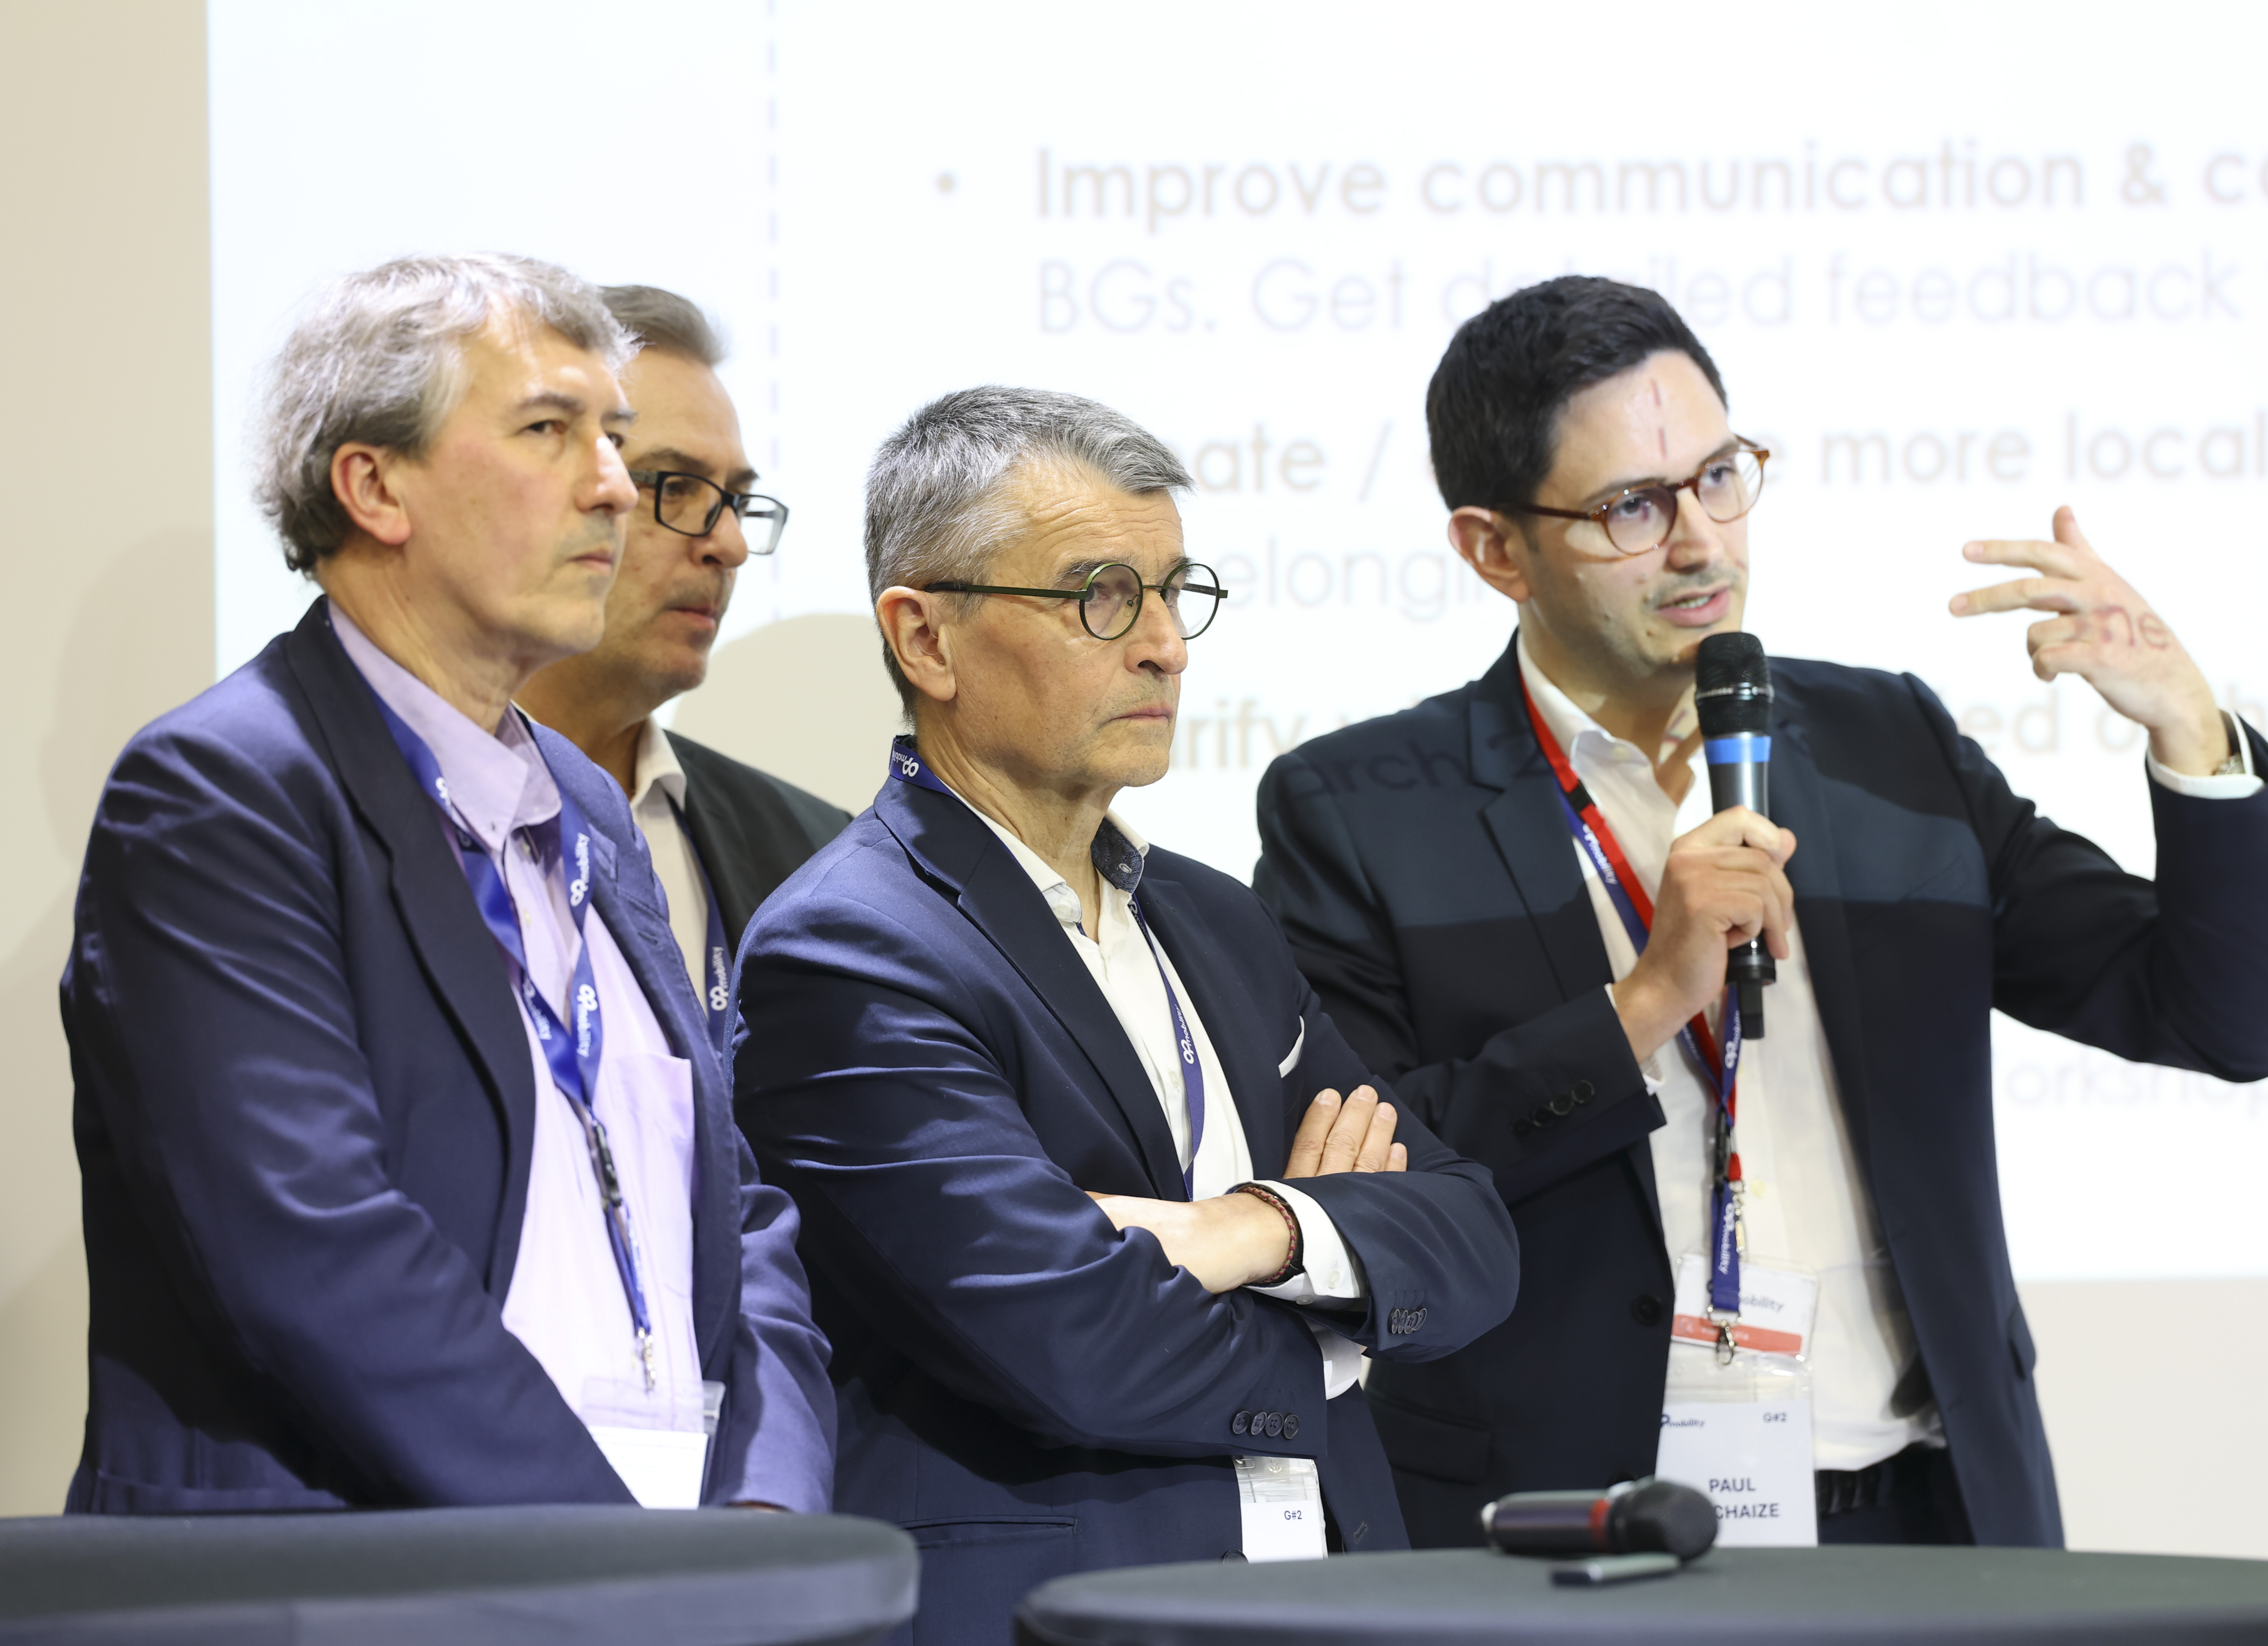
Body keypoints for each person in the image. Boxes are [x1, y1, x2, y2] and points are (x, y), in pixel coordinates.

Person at [1252, 277, 2268, 1549]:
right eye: (1633, 506)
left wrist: (2191, 731)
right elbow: (1369, 1185)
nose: (1702, 543)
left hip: (1926, 1518)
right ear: (1495, 550)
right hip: (1575, 1529)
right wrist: (1643, 1006)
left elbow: (2231, 1020)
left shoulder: (1889, 746)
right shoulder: (1362, 810)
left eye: (1720, 478)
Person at [730, 387, 1520, 1644]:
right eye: (1100, 596)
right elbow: (1072, 1342)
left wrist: (1253, 1229)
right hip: (1059, 1606)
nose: (1165, 645)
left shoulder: (1216, 920)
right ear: (925, 638)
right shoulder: (853, 948)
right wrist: (1340, 1309)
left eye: (1173, 591)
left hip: (1325, 1588)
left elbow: (1471, 1235)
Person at [61, 254, 834, 1513]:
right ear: (374, 486)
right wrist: (621, 1554)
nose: (610, 486)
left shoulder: (589, 806)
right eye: (549, 432)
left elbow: (734, 1211)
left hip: (671, 1567)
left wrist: (766, 1511)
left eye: (613, 439)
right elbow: (314, 1249)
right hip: (369, 1570)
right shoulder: (224, 791)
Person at [521, 286, 849, 1041]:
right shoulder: (385, 806)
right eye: (676, 488)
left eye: (736, 500)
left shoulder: (811, 850)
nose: (728, 546)